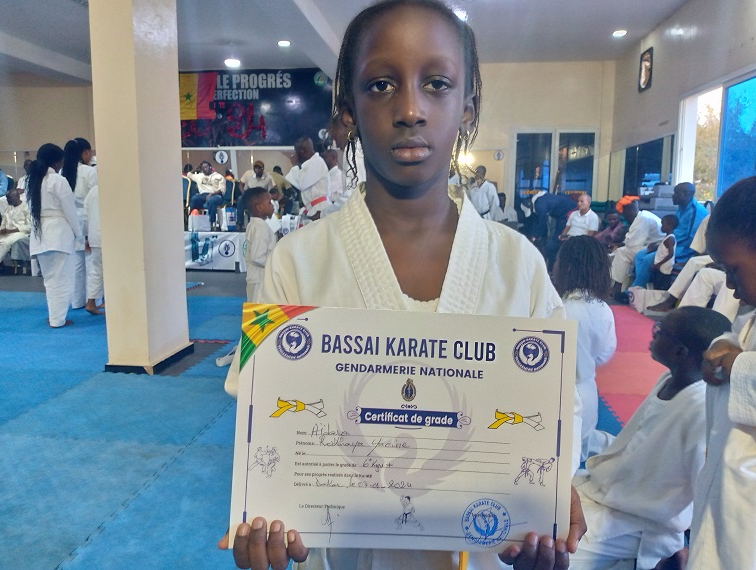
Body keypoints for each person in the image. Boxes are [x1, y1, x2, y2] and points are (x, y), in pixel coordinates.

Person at [221, 1, 586, 569]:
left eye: (437, 84)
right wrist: (265, 517)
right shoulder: (297, 262)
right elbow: (265, 417)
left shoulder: (518, 264)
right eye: (381, 85)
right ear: (349, 111)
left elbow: (559, 413)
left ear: (467, 107)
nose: (411, 109)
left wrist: (550, 503)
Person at [571, 307, 732, 570]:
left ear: (680, 352)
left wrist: (695, 553)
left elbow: (706, 492)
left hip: (639, 523)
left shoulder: (701, 411)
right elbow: (637, 442)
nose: (653, 334)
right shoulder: (670, 379)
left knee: (542, 549)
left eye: (660, 332)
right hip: (607, 491)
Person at [688, 176, 756, 569]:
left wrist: (736, 365)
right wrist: (721, 348)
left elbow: (743, 361)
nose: (729, 285)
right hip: (727, 483)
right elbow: (739, 342)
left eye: (733, 270)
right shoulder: (752, 309)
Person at [552, 236, 616, 461]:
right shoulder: (604, 308)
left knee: (561, 456)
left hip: (558, 394)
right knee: (580, 447)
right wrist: (585, 362)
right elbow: (606, 353)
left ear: (567, 268)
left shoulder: (558, 309)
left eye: (557, 261)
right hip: (588, 391)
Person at [27, 143, 82, 328]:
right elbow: (70, 211)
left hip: (40, 234)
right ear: (57, 162)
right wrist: (79, 234)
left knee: (50, 280)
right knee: (63, 280)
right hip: (59, 234)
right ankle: (58, 319)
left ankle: (54, 315)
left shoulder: (33, 181)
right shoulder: (58, 181)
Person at [647, 216, 712, 313]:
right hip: (714, 256)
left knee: (695, 264)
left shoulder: (671, 237)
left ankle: (673, 304)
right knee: (694, 262)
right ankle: (681, 310)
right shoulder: (709, 218)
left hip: (728, 259)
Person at [62, 137, 98, 310]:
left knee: (76, 265)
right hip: (88, 220)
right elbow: (94, 198)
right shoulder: (89, 172)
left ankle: (77, 301)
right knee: (92, 263)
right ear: (85, 152)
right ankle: (94, 300)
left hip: (71, 222)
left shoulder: (63, 173)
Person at [609, 201, 664, 302]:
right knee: (620, 251)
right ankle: (616, 285)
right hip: (650, 246)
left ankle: (617, 286)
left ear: (628, 210)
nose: (624, 216)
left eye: (624, 213)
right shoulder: (642, 215)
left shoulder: (642, 218)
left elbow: (632, 243)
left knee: (622, 252)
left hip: (658, 248)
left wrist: (621, 244)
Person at [241, 187, 278, 303]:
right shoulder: (261, 227)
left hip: (257, 278)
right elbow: (257, 257)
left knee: (257, 310)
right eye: (269, 203)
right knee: (259, 311)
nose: (272, 206)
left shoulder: (254, 224)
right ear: (259, 207)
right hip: (259, 279)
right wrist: (276, 264)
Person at [548, 193, 599, 268]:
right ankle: (552, 269)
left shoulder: (593, 217)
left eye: (582, 201)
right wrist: (563, 236)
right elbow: (567, 228)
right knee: (550, 246)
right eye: (578, 201)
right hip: (568, 239)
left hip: (581, 242)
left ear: (588, 203)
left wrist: (576, 240)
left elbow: (590, 235)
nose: (579, 203)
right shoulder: (573, 214)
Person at [285, 137, 330, 220]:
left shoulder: (316, 162)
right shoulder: (310, 163)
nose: (296, 156)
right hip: (313, 207)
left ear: (303, 152)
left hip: (320, 208)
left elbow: (302, 184)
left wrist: (295, 165)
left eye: (297, 152)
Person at [631, 214, 678, 289]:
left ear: (669, 226)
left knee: (658, 284)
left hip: (664, 267)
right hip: (661, 264)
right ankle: (639, 282)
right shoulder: (667, 237)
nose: (661, 227)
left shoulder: (670, 239)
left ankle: (638, 285)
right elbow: (663, 247)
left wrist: (658, 264)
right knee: (640, 256)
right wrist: (654, 247)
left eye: (663, 225)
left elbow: (671, 254)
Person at [669, 182, 708, 265]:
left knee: (650, 259)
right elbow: (673, 230)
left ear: (686, 194)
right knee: (642, 254)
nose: (673, 196)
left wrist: (667, 244)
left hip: (686, 250)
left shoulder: (696, 212)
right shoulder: (681, 208)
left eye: (676, 193)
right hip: (675, 245)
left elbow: (691, 240)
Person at [0, 188, 31, 270]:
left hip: (21, 232)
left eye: (9, 198)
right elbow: (4, 222)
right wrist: (2, 230)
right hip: (7, 233)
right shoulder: (8, 208)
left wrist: (13, 230)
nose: (8, 200)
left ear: (17, 197)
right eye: (7, 198)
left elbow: (30, 227)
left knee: (6, 243)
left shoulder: (26, 208)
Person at [83, 184, 104, 315]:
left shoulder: (93, 191)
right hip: (112, 236)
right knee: (114, 272)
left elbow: (85, 217)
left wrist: (87, 236)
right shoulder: (117, 187)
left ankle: (91, 302)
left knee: (96, 271)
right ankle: (112, 304)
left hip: (95, 235)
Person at [188, 161, 225, 226]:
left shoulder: (219, 176)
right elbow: (189, 174)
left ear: (210, 167)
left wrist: (211, 194)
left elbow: (221, 190)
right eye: (203, 168)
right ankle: (193, 221)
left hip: (216, 195)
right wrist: (197, 168)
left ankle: (211, 223)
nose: (205, 169)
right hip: (203, 195)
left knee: (212, 200)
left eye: (206, 167)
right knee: (194, 199)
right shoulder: (199, 176)